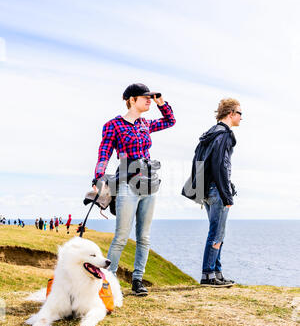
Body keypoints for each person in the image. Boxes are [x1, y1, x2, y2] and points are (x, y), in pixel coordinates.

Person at [93, 83, 176, 296]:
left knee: (144, 237)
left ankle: (137, 280)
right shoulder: (113, 125)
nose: (149, 100)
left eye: (151, 97)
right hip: (126, 186)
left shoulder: (145, 124)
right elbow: (104, 153)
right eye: (145, 97)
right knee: (121, 236)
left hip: (149, 184)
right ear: (131, 99)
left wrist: (161, 103)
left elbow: (170, 121)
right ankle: (107, 281)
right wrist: (98, 176)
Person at [183, 98, 242, 287]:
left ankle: (217, 272)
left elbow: (198, 162)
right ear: (231, 113)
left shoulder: (209, 134)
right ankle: (208, 275)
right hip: (217, 190)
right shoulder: (224, 135)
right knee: (216, 233)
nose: (242, 117)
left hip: (206, 189)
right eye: (240, 113)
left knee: (218, 232)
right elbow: (220, 166)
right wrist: (227, 195)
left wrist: (201, 189)